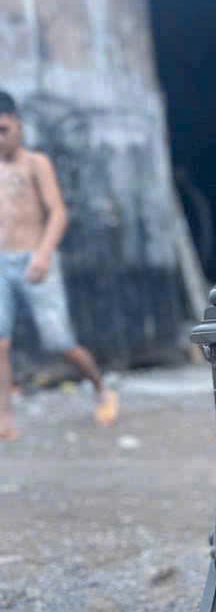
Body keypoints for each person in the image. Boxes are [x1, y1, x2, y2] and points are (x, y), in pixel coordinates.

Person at [0, 90, 118, 440]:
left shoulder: (36, 164)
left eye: (3, 130)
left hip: (36, 260)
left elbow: (58, 213)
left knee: (59, 341)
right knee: (0, 343)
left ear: (18, 125)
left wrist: (43, 253)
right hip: (2, 263)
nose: (0, 138)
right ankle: (4, 417)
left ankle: (101, 388)